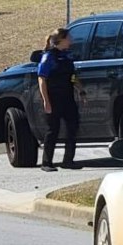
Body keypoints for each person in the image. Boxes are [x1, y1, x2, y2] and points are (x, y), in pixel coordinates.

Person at [37, 27, 87, 171]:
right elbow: (42, 79)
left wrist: (81, 91)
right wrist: (46, 101)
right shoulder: (49, 57)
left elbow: (72, 77)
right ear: (61, 40)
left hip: (68, 97)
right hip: (53, 98)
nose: (71, 40)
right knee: (53, 130)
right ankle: (47, 163)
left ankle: (68, 160)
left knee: (73, 127)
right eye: (68, 38)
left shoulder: (67, 56)